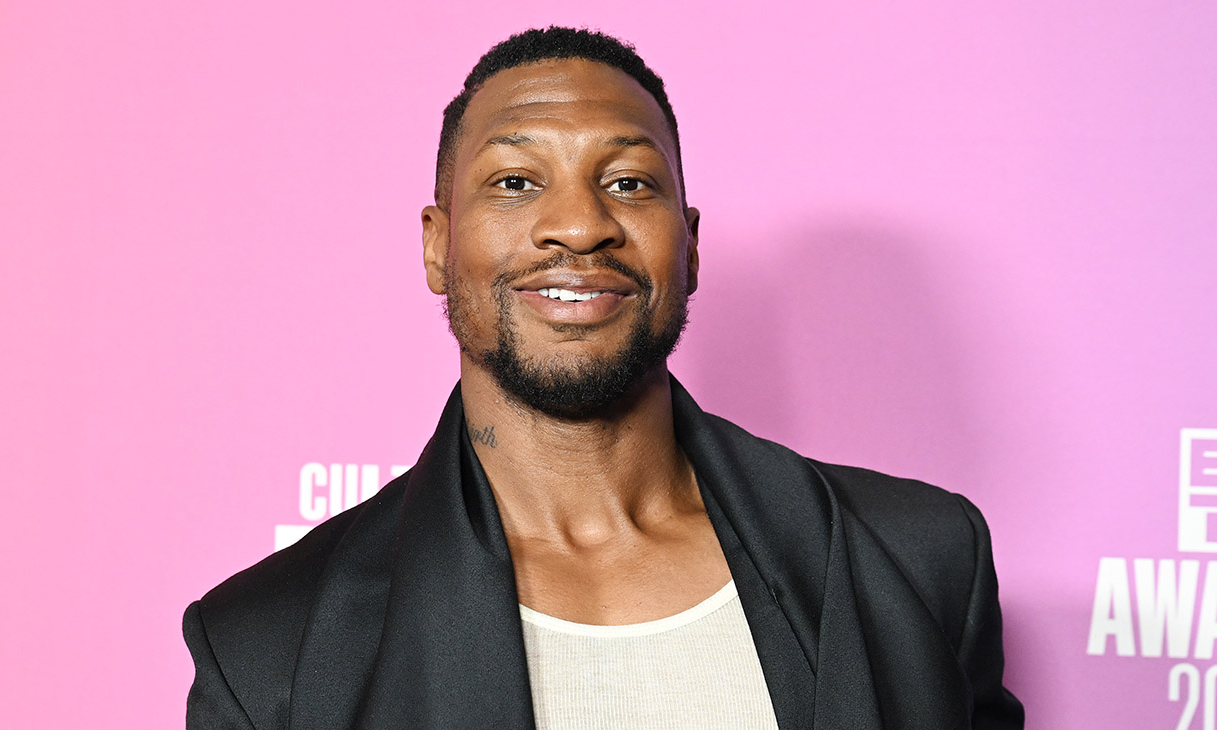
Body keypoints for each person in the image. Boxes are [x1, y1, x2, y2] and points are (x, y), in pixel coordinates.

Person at [183, 27, 1024, 729]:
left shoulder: (917, 562)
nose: (581, 226)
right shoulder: (271, 648)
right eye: (515, 183)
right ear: (437, 246)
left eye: (627, 183)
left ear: (689, 245)